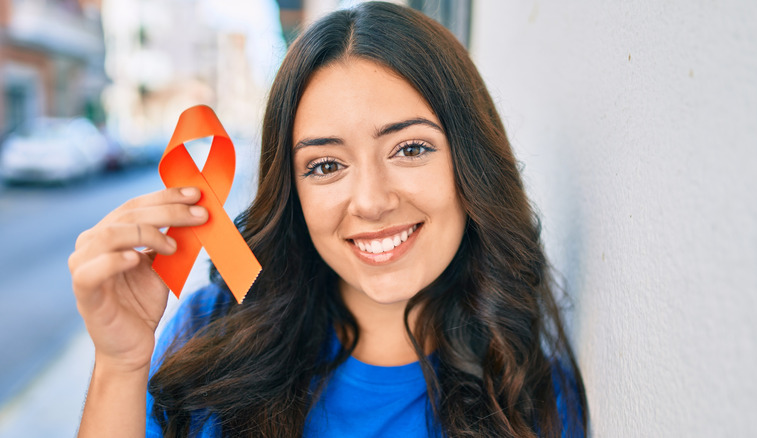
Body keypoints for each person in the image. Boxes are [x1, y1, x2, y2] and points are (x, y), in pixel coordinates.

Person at [69, 2, 588, 437]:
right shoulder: (212, 332)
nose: (369, 201)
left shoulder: (533, 399)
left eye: (409, 148)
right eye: (325, 165)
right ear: (293, 192)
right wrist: (120, 366)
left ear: (470, 161)